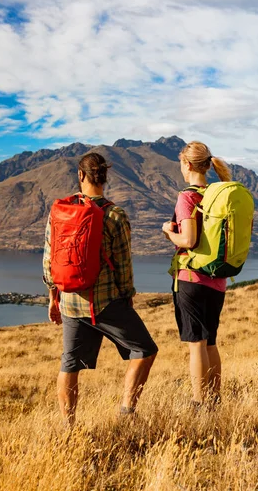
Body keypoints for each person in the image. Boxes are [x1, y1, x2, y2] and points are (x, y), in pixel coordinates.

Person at [43, 152, 158, 427]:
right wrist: (127, 296)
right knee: (144, 350)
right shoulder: (115, 215)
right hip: (105, 303)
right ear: (104, 178)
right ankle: (127, 413)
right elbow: (123, 264)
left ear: (80, 176)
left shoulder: (59, 212)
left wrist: (53, 297)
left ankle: (68, 427)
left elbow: (49, 261)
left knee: (69, 364)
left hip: (70, 301)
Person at [162, 141, 231, 407]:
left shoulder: (188, 196)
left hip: (192, 279)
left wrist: (169, 232)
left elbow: (189, 240)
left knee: (196, 343)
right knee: (210, 341)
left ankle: (199, 404)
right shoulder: (216, 194)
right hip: (217, 280)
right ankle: (215, 400)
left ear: (187, 164)